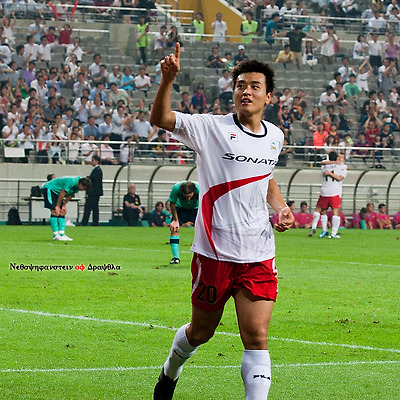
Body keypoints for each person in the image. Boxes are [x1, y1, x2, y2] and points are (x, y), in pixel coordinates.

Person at [151, 43, 294, 400]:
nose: (246, 91)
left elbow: (266, 179)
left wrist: (281, 208)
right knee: (201, 333)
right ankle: (170, 372)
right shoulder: (209, 128)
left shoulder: (275, 137)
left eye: (254, 86)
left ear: (269, 96)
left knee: (256, 336)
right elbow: (161, 119)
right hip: (214, 253)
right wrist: (167, 80)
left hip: (259, 252)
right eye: (240, 85)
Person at [308, 151, 348, 239]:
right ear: (337, 158)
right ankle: (333, 233)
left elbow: (322, 162)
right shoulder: (342, 167)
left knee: (320, 210)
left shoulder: (324, 166)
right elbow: (339, 177)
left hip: (324, 191)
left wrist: (329, 168)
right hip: (335, 192)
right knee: (335, 212)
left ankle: (316, 227)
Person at [42, 176, 92, 241]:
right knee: (54, 211)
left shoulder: (77, 185)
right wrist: (57, 206)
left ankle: (62, 234)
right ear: (80, 184)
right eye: (83, 188)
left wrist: (64, 205)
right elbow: (62, 193)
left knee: (62, 212)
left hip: (57, 193)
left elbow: (71, 194)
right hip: (50, 189)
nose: (83, 190)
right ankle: (55, 235)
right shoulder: (72, 182)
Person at [167, 180, 199, 264]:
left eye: (190, 196)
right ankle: (175, 257)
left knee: (203, 231)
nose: (188, 199)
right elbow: (172, 203)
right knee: (174, 229)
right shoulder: (176, 188)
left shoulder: (199, 189)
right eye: (185, 196)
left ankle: (202, 256)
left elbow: (204, 203)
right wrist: (175, 220)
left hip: (196, 209)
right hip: (180, 208)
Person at [81, 155, 103, 226]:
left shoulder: (98, 170)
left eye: (93, 160)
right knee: (94, 208)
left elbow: (94, 179)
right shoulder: (96, 170)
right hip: (94, 193)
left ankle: (86, 222)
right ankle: (93, 222)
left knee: (89, 208)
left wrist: (88, 178)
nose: (91, 162)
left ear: (97, 161)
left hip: (93, 193)